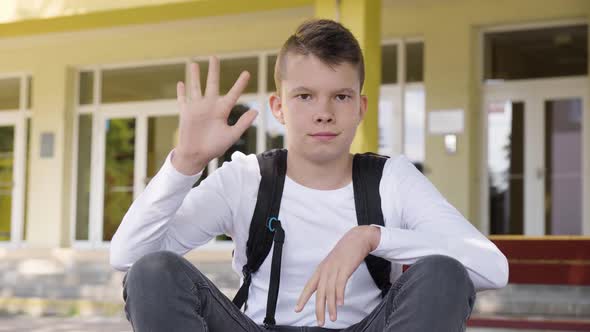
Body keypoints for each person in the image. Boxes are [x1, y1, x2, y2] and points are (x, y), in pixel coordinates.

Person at [110, 19, 508, 332]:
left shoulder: (392, 179)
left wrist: (372, 237)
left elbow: (492, 267)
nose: (324, 112)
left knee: (442, 271)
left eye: (340, 96)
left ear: (361, 107)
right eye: (304, 96)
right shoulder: (246, 178)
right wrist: (185, 163)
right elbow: (129, 259)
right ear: (278, 107)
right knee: (153, 271)